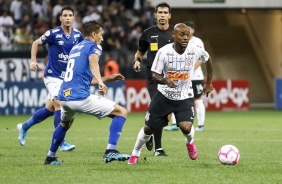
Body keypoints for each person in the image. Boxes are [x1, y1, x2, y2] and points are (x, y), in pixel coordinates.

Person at [44, 20, 130, 165]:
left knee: (65, 124)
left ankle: (50, 157)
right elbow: (93, 62)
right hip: (79, 98)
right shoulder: (94, 46)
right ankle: (110, 151)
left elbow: (83, 79)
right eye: (101, 34)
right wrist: (101, 83)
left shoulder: (75, 48)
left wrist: (107, 78)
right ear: (94, 34)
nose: (102, 38)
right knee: (121, 112)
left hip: (64, 97)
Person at [128, 23, 213, 164]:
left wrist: (209, 83)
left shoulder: (195, 49)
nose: (185, 38)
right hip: (164, 96)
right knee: (149, 128)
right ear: (173, 35)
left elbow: (208, 59)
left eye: (187, 35)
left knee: (186, 127)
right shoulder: (164, 52)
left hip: (184, 96)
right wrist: (165, 81)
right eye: (182, 35)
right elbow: (155, 75)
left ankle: (190, 143)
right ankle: (135, 153)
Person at [17, 6, 83, 151]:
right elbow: (35, 43)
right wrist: (33, 61)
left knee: (49, 109)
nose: (67, 18)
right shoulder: (53, 33)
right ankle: (61, 142)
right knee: (60, 105)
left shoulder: (78, 36)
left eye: (70, 15)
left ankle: (23, 127)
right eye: (64, 15)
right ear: (60, 18)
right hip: (52, 76)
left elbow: (81, 53)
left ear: (73, 18)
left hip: (67, 79)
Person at [132, 2, 176, 156]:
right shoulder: (147, 34)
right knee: (160, 110)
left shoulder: (175, 33)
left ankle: (149, 129)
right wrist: (137, 61)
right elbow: (139, 52)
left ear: (170, 15)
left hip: (171, 78)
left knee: (168, 115)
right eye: (160, 13)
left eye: (165, 13)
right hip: (154, 77)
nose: (163, 15)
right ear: (155, 15)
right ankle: (158, 149)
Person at [164, 21, 207, 132]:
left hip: (196, 76)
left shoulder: (197, 42)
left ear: (193, 30)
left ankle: (201, 125)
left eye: (190, 29)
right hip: (180, 76)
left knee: (197, 98)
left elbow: (201, 59)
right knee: (175, 96)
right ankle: (175, 123)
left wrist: (191, 70)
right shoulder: (178, 41)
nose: (188, 31)